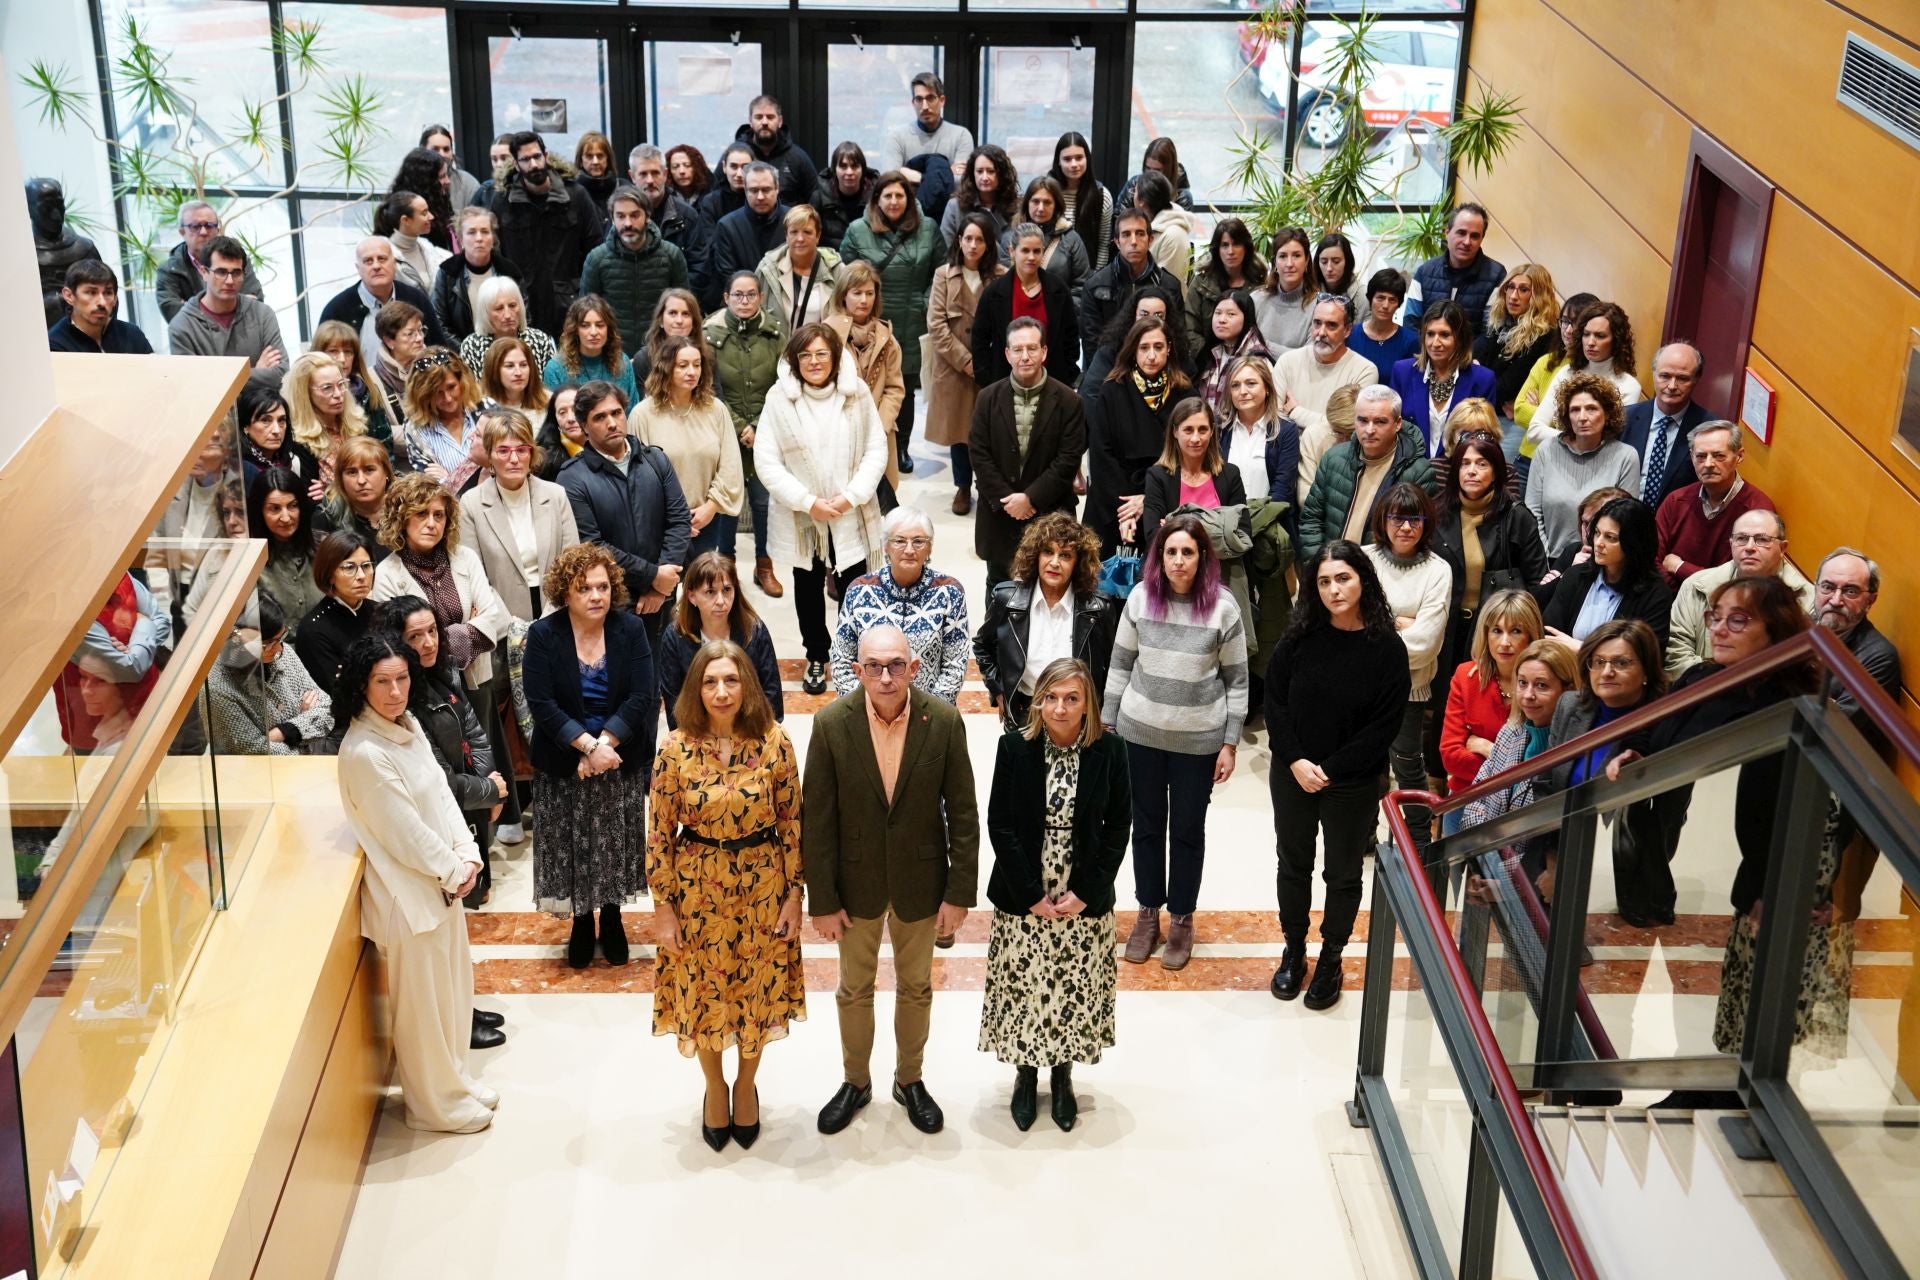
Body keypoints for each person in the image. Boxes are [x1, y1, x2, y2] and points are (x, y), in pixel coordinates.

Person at [806, 624, 978, 1138]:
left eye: (896, 665)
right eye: (874, 667)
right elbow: (817, 819)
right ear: (857, 671)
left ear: (914, 668)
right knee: (854, 988)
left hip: (921, 880)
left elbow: (964, 813)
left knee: (917, 987)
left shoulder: (943, 722)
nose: (885, 676)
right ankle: (855, 1082)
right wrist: (823, 898)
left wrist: (959, 893)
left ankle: (910, 1080)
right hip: (853, 884)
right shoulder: (831, 724)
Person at [648, 638, 804, 1151]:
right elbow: (658, 835)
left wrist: (793, 896)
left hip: (762, 888)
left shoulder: (775, 742)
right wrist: (664, 909)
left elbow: (792, 825)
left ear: (748, 686)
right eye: (711, 681)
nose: (721, 691)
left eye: (731, 680)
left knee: (756, 992)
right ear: (696, 686)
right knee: (705, 992)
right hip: (697, 891)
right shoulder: (674, 749)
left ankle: (745, 1083)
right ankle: (715, 1086)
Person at [333, 632, 493, 1133]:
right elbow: (404, 832)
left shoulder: (409, 725)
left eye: (402, 678)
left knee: (452, 994)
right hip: (409, 897)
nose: (396, 691)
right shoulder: (364, 751)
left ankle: (456, 1082)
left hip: (445, 885)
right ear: (363, 685)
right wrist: (452, 869)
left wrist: (467, 853)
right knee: (421, 1010)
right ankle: (433, 1107)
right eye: (383, 682)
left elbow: (443, 797)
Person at [1608, 577, 1815, 932]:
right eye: (1715, 617)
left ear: (1776, 629)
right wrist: (1634, 749)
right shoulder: (1703, 674)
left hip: (1772, 881)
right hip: (1659, 791)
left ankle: (1656, 897)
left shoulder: (1781, 708)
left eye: (1737, 620)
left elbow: (1771, 813)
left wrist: (1769, 888)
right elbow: (1655, 720)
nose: (1718, 630)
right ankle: (1648, 898)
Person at [980, 658, 1130, 1132]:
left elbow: (1118, 827)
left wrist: (1087, 891)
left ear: (1088, 703)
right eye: (1051, 697)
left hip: (1081, 888)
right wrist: (1029, 894)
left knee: (1071, 985)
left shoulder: (1112, 750)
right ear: (1038, 701)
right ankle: (1027, 1075)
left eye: (1072, 698)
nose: (1061, 708)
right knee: (1027, 984)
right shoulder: (1014, 749)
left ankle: (1062, 1075)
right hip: (1026, 886)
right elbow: (1000, 824)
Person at [1266, 542, 1409, 1009]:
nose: (1334, 589)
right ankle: (1294, 950)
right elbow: (1276, 705)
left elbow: (1383, 726)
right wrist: (1295, 761)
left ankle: (1331, 956)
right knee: (1293, 864)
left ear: (1363, 579)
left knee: (1343, 873)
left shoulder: (1387, 648)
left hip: (1351, 780)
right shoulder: (1299, 637)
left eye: (1342, 578)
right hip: (1294, 771)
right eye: (1324, 581)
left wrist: (1329, 769)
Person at [1106, 513, 1248, 971]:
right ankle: (1148, 913)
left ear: (1202, 556)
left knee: (1187, 831)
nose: (1179, 560)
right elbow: (1120, 662)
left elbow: (1237, 679)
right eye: (1171, 552)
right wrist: (1108, 723)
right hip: (1139, 734)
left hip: (1197, 741)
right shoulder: (1141, 598)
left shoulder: (1223, 607)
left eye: (1188, 552)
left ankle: (1181, 918)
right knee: (1146, 828)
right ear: (1159, 557)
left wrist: (1229, 742)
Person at [521, 544, 657, 966]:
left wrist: (606, 745)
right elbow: (540, 702)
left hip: (618, 756)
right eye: (584, 588)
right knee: (572, 844)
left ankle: (612, 916)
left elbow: (641, 695)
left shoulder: (629, 629)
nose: (596, 596)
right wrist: (586, 746)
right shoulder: (544, 635)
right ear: (566, 593)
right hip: (566, 760)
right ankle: (581, 919)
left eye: (602, 587)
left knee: (614, 843)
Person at [753, 323, 888, 695]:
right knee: (808, 587)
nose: (814, 362)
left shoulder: (856, 393)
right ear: (795, 361)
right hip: (804, 517)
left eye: (821, 354)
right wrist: (808, 502)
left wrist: (851, 497)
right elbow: (766, 460)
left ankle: (850, 656)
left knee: (855, 585)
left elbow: (876, 449)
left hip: (850, 510)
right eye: (805, 355)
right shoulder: (779, 398)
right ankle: (817, 654)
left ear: (835, 356)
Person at [387, 595, 508, 909]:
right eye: (415, 636)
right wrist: (489, 791)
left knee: (476, 889)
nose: (428, 643)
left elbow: (474, 733)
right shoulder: (399, 696)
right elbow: (436, 775)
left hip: (468, 799)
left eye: (432, 631)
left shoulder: (446, 668)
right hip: (436, 811)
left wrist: (490, 790)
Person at [556, 379, 694, 648]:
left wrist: (660, 586)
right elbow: (593, 545)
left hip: (662, 594)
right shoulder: (572, 477)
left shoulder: (655, 460)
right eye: (600, 417)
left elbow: (679, 520)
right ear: (584, 426)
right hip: (610, 600)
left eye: (616, 413)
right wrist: (652, 576)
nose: (612, 423)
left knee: (657, 677)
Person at [1363, 484, 1454, 863]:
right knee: (1365, 764)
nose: (1405, 527)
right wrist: (1399, 624)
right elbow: (1347, 622)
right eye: (1396, 517)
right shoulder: (1362, 559)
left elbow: (1428, 641)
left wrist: (1377, 631)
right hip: (1359, 688)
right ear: (1383, 521)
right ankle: (1362, 834)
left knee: (1407, 765)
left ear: (1426, 522)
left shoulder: (1438, 570)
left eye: (1414, 518)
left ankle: (1418, 841)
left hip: (1409, 689)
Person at [838, 170, 946, 476]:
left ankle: (900, 447)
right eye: (888, 195)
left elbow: (940, 273)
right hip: (868, 318)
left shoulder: (928, 229)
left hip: (912, 320)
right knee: (865, 384)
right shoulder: (858, 230)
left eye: (900, 195)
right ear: (877, 199)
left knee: (905, 387)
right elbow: (846, 276)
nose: (894, 201)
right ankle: (863, 447)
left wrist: (925, 303)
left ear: (909, 199)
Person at [968, 317, 1088, 592]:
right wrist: (1009, 501)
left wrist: (1030, 499)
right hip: (1000, 514)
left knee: (1050, 592)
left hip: (1050, 513)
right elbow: (979, 453)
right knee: (1000, 589)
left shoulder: (1070, 401)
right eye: (1018, 349)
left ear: (1044, 352)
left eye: (1032, 348)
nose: (1025, 356)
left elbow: (1068, 459)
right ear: (1007, 354)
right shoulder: (987, 398)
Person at [975, 513, 1115, 725]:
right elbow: (982, 645)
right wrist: (999, 690)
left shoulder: (1097, 609)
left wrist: (1099, 710)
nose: (1055, 563)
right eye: (1048, 552)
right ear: (1035, 556)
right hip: (1024, 710)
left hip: (1077, 715)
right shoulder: (1007, 599)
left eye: (1066, 555)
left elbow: (1112, 665)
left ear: (1078, 563)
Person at [1430, 429, 1547, 681]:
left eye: (1481, 464)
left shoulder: (1517, 517)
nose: (1471, 471)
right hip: (1443, 626)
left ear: (1496, 472)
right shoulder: (1437, 512)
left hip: (1493, 631)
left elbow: (1537, 582)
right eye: (1465, 464)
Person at [1458, 639, 1578, 875]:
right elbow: (1475, 802)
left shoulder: (1572, 751)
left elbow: (1548, 841)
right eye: (1522, 683)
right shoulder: (1510, 731)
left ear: (1568, 691)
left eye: (1542, 686)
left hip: (1536, 885)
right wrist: (1486, 866)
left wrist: (1501, 876)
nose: (1528, 695)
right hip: (1488, 873)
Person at [829, 506, 970, 702]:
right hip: (868, 710)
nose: (910, 550)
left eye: (919, 541)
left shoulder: (949, 592)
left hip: (929, 713)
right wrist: (865, 707)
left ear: (930, 547)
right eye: (900, 541)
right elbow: (841, 659)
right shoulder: (859, 590)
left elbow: (955, 663)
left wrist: (929, 712)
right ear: (885, 545)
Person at [705, 272, 787, 594]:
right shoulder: (709, 334)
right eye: (738, 295)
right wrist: (741, 427)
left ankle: (764, 565)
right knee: (728, 502)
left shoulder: (775, 332)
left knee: (763, 502)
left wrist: (761, 426)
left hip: (767, 429)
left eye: (751, 295)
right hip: (726, 430)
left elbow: (784, 383)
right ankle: (725, 566)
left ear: (760, 297)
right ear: (726, 298)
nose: (744, 301)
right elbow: (711, 388)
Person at [459, 407, 580, 625]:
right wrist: (514, 627)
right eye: (503, 451)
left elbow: (571, 564)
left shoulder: (555, 495)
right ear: (490, 455)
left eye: (521, 450)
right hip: (500, 619)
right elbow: (474, 577)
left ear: (531, 453)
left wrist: (549, 619)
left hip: (557, 613)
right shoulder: (471, 503)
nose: (514, 459)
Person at [1437, 590, 1544, 829]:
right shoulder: (1466, 676)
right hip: (1467, 796)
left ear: (1531, 635)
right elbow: (1451, 758)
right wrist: (1510, 764)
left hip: (1522, 807)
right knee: (1452, 864)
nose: (1504, 642)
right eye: (1497, 630)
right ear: (1485, 634)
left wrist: (1487, 747)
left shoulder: (1543, 683)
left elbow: (1536, 766)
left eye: (1515, 631)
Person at [630, 335, 743, 560]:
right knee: (665, 594)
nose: (692, 371)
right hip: (659, 525)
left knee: (702, 592)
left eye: (697, 364)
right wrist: (674, 520)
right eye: (683, 365)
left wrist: (711, 507)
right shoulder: (642, 414)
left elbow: (730, 465)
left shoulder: (716, 409)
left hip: (706, 519)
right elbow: (636, 477)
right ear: (666, 368)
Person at [1298, 384, 1439, 562]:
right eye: (1362, 420)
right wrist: (1319, 566)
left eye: (1380, 421)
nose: (1369, 430)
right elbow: (1311, 520)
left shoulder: (1419, 472)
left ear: (1398, 424)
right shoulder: (1334, 459)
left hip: (1385, 577)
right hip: (1332, 571)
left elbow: (1423, 536)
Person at [1666, 510, 1812, 680]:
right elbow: (1676, 656)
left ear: (1782, 548)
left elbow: (1801, 667)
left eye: (1762, 539)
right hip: (1697, 694)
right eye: (1741, 538)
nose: (1749, 547)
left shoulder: (1807, 599)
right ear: (1731, 543)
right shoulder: (1696, 585)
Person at [1085, 315, 1187, 556]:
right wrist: (1127, 508)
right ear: (1132, 350)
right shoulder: (1112, 390)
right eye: (1144, 348)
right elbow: (1101, 452)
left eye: (1158, 347)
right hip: (1113, 503)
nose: (1151, 355)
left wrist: (1148, 499)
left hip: (1163, 501)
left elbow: (1187, 455)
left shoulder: (1184, 394)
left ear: (1169, 349)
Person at [487, 131, 605, 333]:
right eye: (525, 159)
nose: (533, 165)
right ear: (516, 164)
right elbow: (496, 256)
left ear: (546, 156)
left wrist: (586, 298)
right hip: (522, 306)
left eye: (537, 157)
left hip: (570, 305)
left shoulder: (575, 195)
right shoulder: (503, 201)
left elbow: (596, 251)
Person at [926, 214, 1004, 515]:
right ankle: (962, 486)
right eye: (967, 238)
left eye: (979, 239)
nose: (972, 245)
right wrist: (966, 361)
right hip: (954, 368)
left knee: (989, 430)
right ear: (959, 240)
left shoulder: (999, 275)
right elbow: (936, 325)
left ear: (989, 244)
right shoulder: (943, 275)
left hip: (991, 368)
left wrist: (984, 363)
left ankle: (988, 487)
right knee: (959, 432)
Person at [655, 552, 783, 730]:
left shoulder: (755, 630)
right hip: (697, 736)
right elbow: (675, 706)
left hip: (749, 732)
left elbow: (772, 696)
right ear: (692, 596)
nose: (721, 601)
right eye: (710, 592)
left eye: (727, 590)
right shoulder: (675, 636)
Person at [1524, 372, 1642, 557]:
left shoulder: (1626, 456)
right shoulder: (1546, 450)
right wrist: (1545, 563)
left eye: (1591, 409)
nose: (1582, 417)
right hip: (1548, 560)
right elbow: (1532, 514)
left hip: (1600, 561)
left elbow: (1625, 520)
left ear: (1608, 413)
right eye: (1575, 410)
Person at [205, 593, 335, 756]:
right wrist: (305, 723)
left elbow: (327, 709)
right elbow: (253, 751)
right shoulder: (219, 688)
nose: (280, 648)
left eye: (281, 638)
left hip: (302, 767)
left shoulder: (282, 653)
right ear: (239, 642)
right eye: (269, 643)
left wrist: (286, 731)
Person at [1543, 495, 1674, 651]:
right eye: (1597, 533)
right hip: (1566, 671)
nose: (1598, 543)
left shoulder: (1656, 594)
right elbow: (1548, 636)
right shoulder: (1576, 576)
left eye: (1610, 537)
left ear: (1634, 543)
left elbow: (1646, 658)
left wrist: (1582, 650)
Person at [1655, 419, 1775, 589]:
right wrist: (1684, 595)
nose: (1709, 464)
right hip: (1668, 603)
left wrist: (1680, 567)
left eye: (1719, 456)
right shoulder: (1675, 501)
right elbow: (1652, 563)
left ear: (1739, 456)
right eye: (1701, 456)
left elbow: (1742, 582)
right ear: (1691, 457)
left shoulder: (1758, 511)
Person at [1523, 299, 1644, 461]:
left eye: (1600, 336)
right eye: (1586, 334)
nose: (1591, 342)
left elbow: (1611, 444)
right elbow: (1534, 430)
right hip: (1557, 461)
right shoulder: (1567, 373)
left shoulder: (1628, 385)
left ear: (1616, 340)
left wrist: (1568, 437)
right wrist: (1581, 439)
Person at [580, 184, 690, 354]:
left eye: (635, 215)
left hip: (662, 352)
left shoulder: (671, 255)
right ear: (612, 218)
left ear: (647, 216)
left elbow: (685, 307)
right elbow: (585, 313)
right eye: (621, 216)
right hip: (613, 355)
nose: (628, 223)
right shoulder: (597, 259)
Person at [1388, 299, 1498, 459]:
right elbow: (1392, 429)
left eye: (1445, 335)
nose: (1435, 343)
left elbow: (1485, 441)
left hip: (1458, 474)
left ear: (1460, 339)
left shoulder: (1483, 380)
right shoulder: (1402, 371)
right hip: (1410, 471)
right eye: (1430, 334)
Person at [167, 236, 287, 383]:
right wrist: (256, 371)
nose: (230, 281)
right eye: (221, 272)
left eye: (236, 273)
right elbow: (195, 386)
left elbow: (281, 373)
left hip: (264, 405)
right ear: (204, 272)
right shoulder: (182, 327)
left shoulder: (262, 314)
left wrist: (221, 379)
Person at [1076, 209, 1183, 372]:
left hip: (1158, 371)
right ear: (1117, 242)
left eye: (1140, 233)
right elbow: (1092, 345)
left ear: (1150, 240)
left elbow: (1177, 340)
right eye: (1126, 234)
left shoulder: (1169, 286)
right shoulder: (1095, 285)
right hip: (1110, 373)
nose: (1133, 241)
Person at [1138, 395, 1251, 549]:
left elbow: (1243, 533)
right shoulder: (1158, 476)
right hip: (1170, 569)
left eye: (1202, 429)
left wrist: (1174, 527)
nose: (1196, 438)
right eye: (1188, 430)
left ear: (1212, 431)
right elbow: (1153, 536)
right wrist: (1218, 530)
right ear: (1175, 432)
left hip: (1221, 569)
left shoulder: (1230, 474)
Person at [317, 237, 453, 358]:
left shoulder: (416, 299)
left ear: (394, 264)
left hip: (414, 384)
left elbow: (439, 351)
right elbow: (322, 364)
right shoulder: (337, 310)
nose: (376, 266)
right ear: (358, 268)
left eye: (382, 259)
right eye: (368, 261)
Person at [1272, 292, 1380, 442]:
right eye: (1317, 323)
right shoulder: (1287, 362)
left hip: (1334, 459)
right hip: (1287, 454)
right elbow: (1273, 420)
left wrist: (1296, 412)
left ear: (1347, 330)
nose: (1321, 332)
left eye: (1331, 325)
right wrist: (1325, 422)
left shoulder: (1365, 370)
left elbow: (1347, 429)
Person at [1621, 343, 1709, 512]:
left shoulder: (1707, 429)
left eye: (1682, 378)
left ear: (1697, 379)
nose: (1672, 386)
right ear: (1654, 373)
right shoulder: (1624, 418)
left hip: (1674, 526)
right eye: (1665, 376)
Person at [626, 144, 714, 310]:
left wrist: (673, 305)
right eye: (643, 174)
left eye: (655, 173)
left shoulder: (687, 216)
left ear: (665, 174)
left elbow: (700, 270)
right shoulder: (621, 217)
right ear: (632, 176)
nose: (650, 180)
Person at [1474, 264, 1559, 430]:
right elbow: (1467, 364)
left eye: (1523, 290)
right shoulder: (1499, 325)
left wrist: (1478, 375)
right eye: (1510, 287)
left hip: (1513, 423)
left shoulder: (1544, 335)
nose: (1513, 296)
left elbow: (1503, 389)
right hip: (1488, 413)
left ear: (1538, 296)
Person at [1221, 355, 1300, 525]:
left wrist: (1251, 525)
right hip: (1226, 529)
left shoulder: (1286, 431)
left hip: (1271, 527)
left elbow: (1282, 490)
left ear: (1268, 388)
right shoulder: (1220, 431)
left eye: (1251, 383)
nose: (1242, 391)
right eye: (1235, 385)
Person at [296, 530, 377, 696]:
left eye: (366, 566)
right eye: (349, 567)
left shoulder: (381, 610)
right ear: (330, 575)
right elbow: (337, 694)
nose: (361, 576)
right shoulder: (313, 630)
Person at [1403, 202, 1505, 328]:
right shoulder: (1424, 273)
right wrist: (1433, 347)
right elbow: (1410, 323)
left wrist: (1464, 349)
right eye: (1461, 233)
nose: (1467, 242)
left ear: (1481, 239)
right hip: (1428, 347)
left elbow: (1491, 331)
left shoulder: (1496, 275)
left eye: (1474, 236)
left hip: (1472, 348)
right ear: (1447, 233)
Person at [396, 349, 485, 494]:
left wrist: (448, 480)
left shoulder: (485, 409)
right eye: (438, 392)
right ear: (423, 394)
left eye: (451, 387)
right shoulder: (415, 428)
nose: (448, 398)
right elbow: (432, 490)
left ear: (462, 382)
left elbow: (500, 467)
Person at [155, 201, 262, 321]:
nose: (203, 232)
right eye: (195, 226)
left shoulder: (238, 260)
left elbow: (255, 303)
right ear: (182, 232)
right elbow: (175, 316)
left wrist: (190, 307)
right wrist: (233, 305)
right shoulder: (169, 271)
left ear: (217, 230)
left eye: (209, 226)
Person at [251, 467, 325, 636]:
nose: (285, 517)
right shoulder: (250, 561)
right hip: (275, 655)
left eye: (292, 506)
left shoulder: (324, 546)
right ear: (259, 511)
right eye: (274, 509)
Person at [755, 203, 842, 338]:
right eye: (794, 232)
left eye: (807, 232)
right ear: (786, 235)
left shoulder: (836, 269)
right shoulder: (767, 269)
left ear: (818, 235)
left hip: (819, 353)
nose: (800, 239)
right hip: (777, 353)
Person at [287, 348, 378, 475]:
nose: (338, 394)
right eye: (327, 388)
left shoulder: (360, 423)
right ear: (305, 394)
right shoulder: (297, 440)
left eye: (341, 384)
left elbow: (381, 469)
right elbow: (309, 492)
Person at [1184, 218, 1266, 355]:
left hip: (1250, 361)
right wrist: (1213, 357)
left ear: (1246, 248)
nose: (1231, 251)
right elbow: (1189, 328)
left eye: (1236, 244)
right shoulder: (1201, 283)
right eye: (1225, 245)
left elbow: (1264, 329)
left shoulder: (1260, 283)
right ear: (1217, 249)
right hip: (1207, 361)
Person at [541, 293, 638, 407]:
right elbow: (553, 416)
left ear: (608, 328)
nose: (593, 332)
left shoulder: (622, 362)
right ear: (575, 329)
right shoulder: (556, 369)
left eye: (600, 325)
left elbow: (632, 410)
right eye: (585, 325)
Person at [312, 319, 400, 441]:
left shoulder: (368, 391)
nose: (342, 359)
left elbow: (385, 442)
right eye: (333, 351)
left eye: (348, 352)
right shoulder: (309, 394)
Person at [712, 162, 791, 296]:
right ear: (745, 189)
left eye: (766, 190)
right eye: (754, 190)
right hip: (744, 302)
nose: (760, 197)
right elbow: (727, 277)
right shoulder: (727, 226)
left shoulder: (792, 221)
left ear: (777, 188)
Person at [458, 276, 558, 377]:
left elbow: (551, 386)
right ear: (485, 313)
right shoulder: (471, 346)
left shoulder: (540, 340)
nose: (508, 315)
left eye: (512, 305)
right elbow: (471, 390)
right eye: (499, 308)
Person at [883, 72, 975, 180]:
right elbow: (891, 180)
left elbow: (960, 182)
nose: (925, 106)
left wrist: (912, 176)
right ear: (913, 103)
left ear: (941, 101)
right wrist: (948, 171)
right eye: (919, 99)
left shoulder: (961, 136)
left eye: (930, 98)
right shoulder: (897, 137)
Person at [317, 436, 395, 564]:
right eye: (352, 472)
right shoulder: (326, 517)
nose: (361, 481)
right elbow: (323, 574)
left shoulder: (408, 507)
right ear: (341, 479)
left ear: (386, 472)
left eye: (369, 470)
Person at [1006, 176, 1089, 294]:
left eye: (1047, 202)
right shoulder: (1010, 237)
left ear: (1056, 206)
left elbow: (1081, 287)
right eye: (1035, 201)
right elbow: (1001, 283)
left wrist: (1060, 310)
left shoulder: (1071, 240)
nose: (1040, 208)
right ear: (1027, 203)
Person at [49, 260, 151, 354]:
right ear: (69, 296)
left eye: (108, 293)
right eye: (92, 292)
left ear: (115, 298)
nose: (102, 302)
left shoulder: (132, 334)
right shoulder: (55, 344)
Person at [1195, 291, 1272, 415]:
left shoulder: (1258, 359)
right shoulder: (1210, 353)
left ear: (1246, 318)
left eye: (1231, 314)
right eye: (1218, 313)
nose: (1222, 320)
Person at [735, 95, 817, 206]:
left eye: (770, 117)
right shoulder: (736, 155)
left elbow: (815, 199)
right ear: (750, 121)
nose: (764, 122)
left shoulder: (797, 158)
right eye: (759, 117)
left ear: (780, 121)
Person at [236, 383, 321, 491]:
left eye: (281, 420)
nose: (276, 430)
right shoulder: (240, 469)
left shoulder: (294, 462)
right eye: (265, 420)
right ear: (246, 427)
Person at [1252, 226, 1321, 354]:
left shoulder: (1320, 305)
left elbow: (1309, 357)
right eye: (1283, 256)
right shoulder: (1255, 300)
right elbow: (1244, 347)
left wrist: (1263, 345)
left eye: (1296, 255)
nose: (1289, 264)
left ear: (1306, 261)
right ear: (1275, 263)